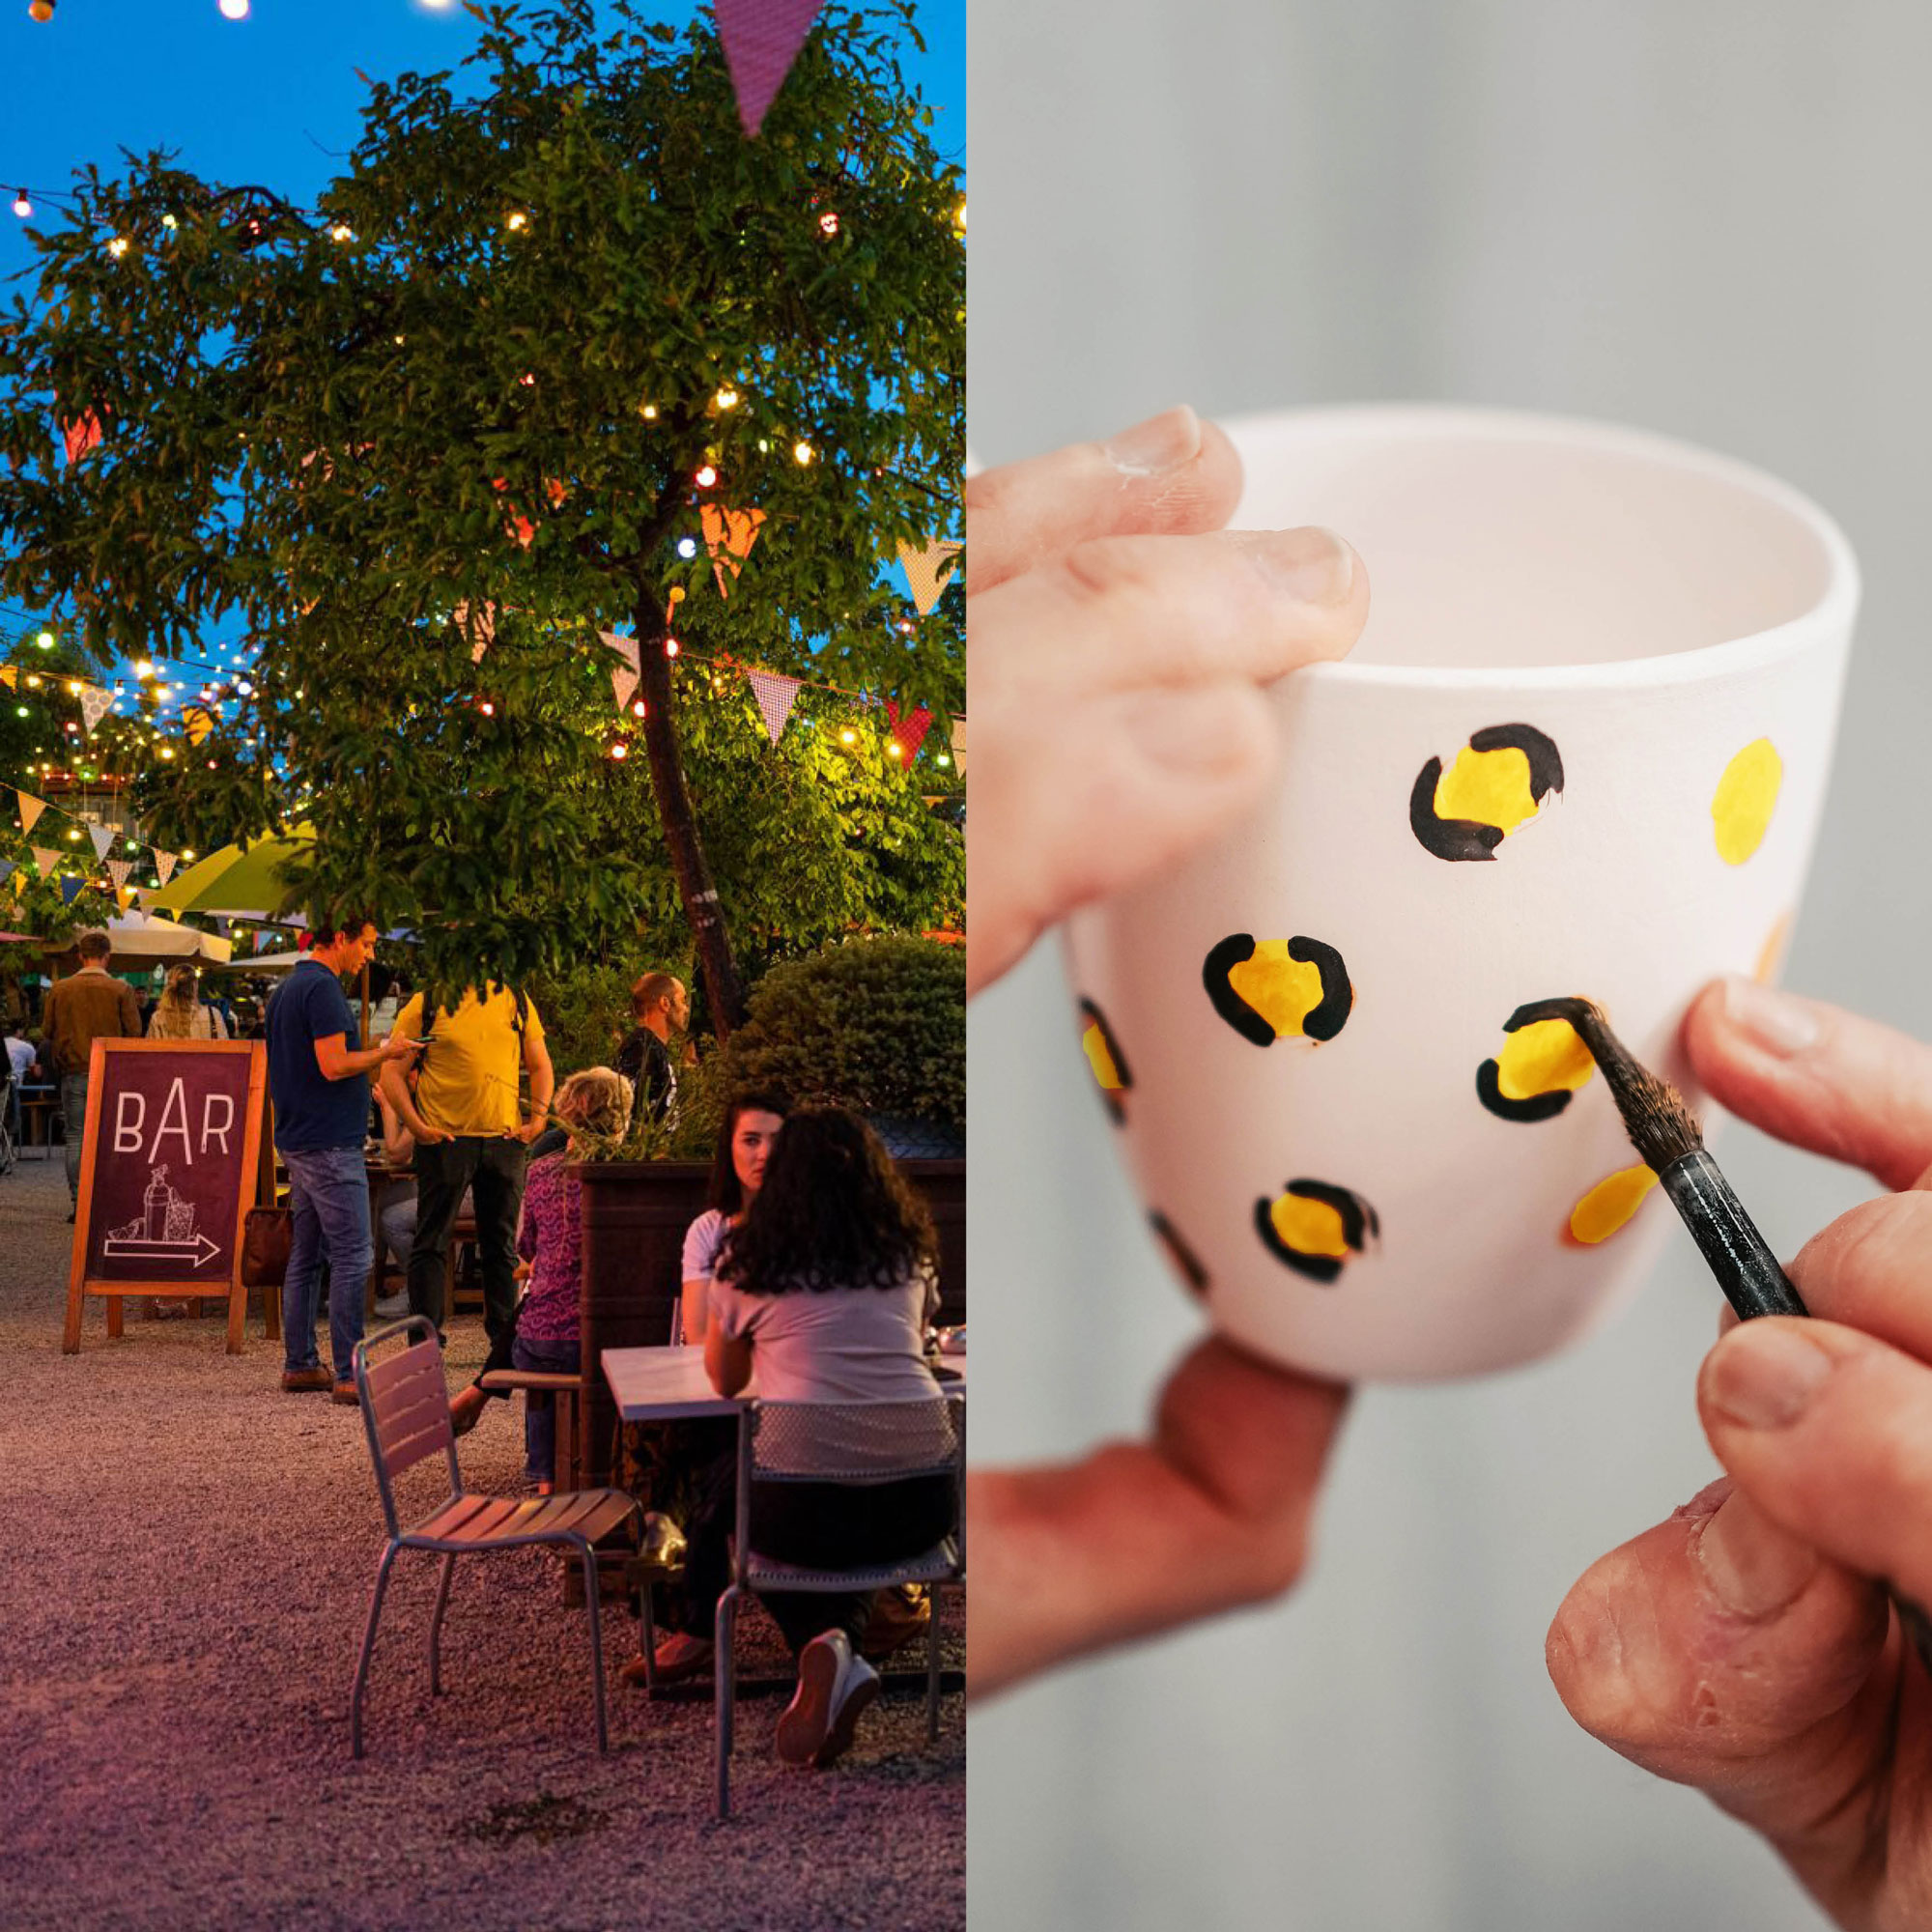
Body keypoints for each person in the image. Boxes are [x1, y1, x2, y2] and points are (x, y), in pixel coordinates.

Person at [705, 1108, 952, 1770]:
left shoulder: (743, 1262)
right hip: (923, 1504)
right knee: (856, 1487)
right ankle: (839, 1649)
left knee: (739, 1489)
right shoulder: (909, 1254)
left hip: (799, 1514)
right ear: (877, 1176)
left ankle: (822, 1643)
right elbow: (923, 1348)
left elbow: (726, 1384)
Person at [616, 1090, 792, 1689]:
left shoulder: (813, 1227)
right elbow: (695, 1333)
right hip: (732, 1384)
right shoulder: (710, 1230)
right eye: (750, 1139)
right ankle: (694, 1610)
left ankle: (691, 1615)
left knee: (706, 1456)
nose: (764, 1152)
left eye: (775, 1139)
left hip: (789, 1400)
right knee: (702, 1439)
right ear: (731, 1148)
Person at [267, 918, 416, 1400]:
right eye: (367, 944)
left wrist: (364, 1067)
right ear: (339, 940)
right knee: (354, 1253)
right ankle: (351, 1373)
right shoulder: (324, 990)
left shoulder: (287, 989)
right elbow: (332, 1065)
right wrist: (383, 1053)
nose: (369, 955)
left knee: (306, 1254)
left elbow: (314, 1064)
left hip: (299, 1135)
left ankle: (301, 1364)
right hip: (329, 1141)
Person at [379, 980, 553, 1341]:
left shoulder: (516, 998)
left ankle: (505, 1343)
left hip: (502, 1140)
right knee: (431, 1242)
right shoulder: (426, 1004)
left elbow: (540, 1064)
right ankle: (425, 1342)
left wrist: (538, 1119)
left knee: (501, 1247)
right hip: (445, 1140)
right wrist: (417, 1127)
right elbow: (391, 1074)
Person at [508, 1067, 630, 1492]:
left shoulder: (541, 1172)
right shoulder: (625, 1175)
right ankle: (601, 1468)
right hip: (603, 1337)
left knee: (542, 1333)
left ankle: (545, 1476)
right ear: (619, 1119)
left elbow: (525, 1248)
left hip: (539, 1339)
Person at [40, 930, 145, 1222]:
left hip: (73, 1072)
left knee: (75, 1137)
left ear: (80, 956)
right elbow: (134, 1033)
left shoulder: (59, 989)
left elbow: (47, 1031)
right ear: (107, 956)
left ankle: (79, 1203)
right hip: (112, 1072)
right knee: (109, 1138)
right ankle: (107, 1202)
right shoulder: (120, 990)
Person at [614, 972, 687, 1125]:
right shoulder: (642, 1046)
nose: (686, 1009)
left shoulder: (652, 1047)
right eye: (682, 1000)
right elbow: (623, 1107)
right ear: (665, 1003)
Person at [146, 963, 229, 1040]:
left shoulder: (158, 1018)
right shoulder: (213, 1015)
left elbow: (151, 1052)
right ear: (195, 985)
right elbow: (225, 1050)